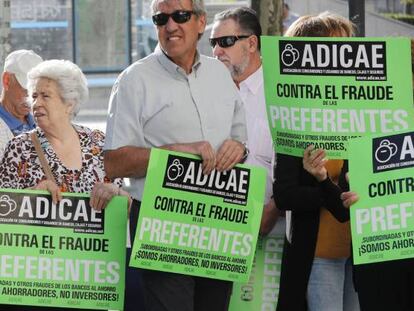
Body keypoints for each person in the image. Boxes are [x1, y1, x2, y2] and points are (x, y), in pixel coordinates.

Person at [103, 0, 248, 310]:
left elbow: (240, 135)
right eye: (161, 18)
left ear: (200, 22)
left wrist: (240, 147)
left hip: (220, 219)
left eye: (180, 15)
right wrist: (168, 153)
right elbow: (113, 161)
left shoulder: (219, 75)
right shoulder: (133, 80)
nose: (170, 25)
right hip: (162, 223)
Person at [0, 59, 129, 310]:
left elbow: (123, 202)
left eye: (45, 96)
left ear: (69, 103)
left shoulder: (98, 143)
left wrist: (116, 192)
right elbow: (3, 212)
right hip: (41, 283)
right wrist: (30, 197)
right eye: (33, 95)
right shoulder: (20, 148)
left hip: (94, 279)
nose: (35, 103)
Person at [273, 12, 360, 311]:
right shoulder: (291, 118)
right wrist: (325, 184)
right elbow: (284, 194)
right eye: (334, 49)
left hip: (360, 253)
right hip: (319, 257)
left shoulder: (360, 113)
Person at [210, 7, 279, 235]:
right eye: (213, 43)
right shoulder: (205, 93)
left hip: (274, 232)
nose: (217, 51)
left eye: (226, 41)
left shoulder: (281, 93)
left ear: (251, 44)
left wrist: (274, 208)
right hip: (217, 231)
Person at [0, 49, 42, 155]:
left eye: (36, 91)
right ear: (7, 81)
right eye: (26, 90)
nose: (31, 98)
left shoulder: (42, 121)